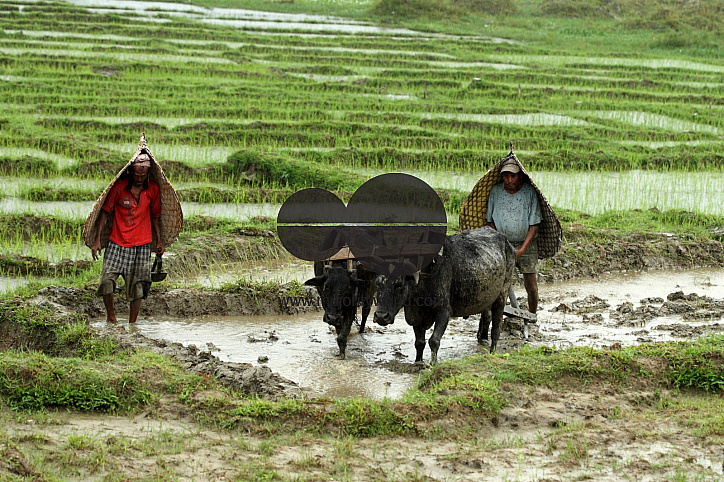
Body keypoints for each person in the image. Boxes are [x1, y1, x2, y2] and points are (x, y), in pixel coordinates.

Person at [91, 150, 164, 323]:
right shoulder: (119, 187)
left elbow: (155, 217)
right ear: (131, 172)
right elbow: (105, 213)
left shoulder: (152, 189)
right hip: (117, 243)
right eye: (137, 175)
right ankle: (111, 318)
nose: (139, 178)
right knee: (107, 281)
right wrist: (97, 240)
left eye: (143, 175)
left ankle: (133, 324)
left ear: (147, 174)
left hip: (142, 245)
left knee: (138, 286)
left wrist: (159, 240)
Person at [486, 158, 542, 313]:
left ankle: (532, 314)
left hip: (527, 244)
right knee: (500, 284)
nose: (509, 180)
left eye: (513, 176)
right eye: (506, 176)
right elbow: (490, 221)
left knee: (531, 285)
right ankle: (499, 316)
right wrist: (501, 242)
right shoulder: (496, 192)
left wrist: (522, 249)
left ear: (520, 177)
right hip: (502, 244)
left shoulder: (529, 193)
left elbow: (534, 224)